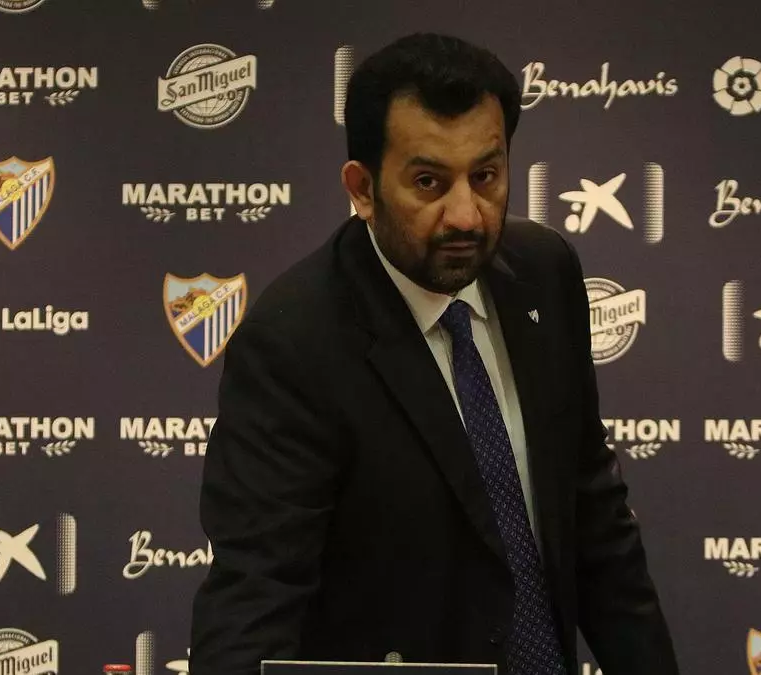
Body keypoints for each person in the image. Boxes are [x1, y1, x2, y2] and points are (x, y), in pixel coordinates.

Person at [189, 32, 679, 675]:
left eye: (486, 176)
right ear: (362, 188)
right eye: (428, 182)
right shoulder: (294, 343)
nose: (466, 216)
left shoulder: (546, 271)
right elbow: (255, 590)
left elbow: (593, 518)